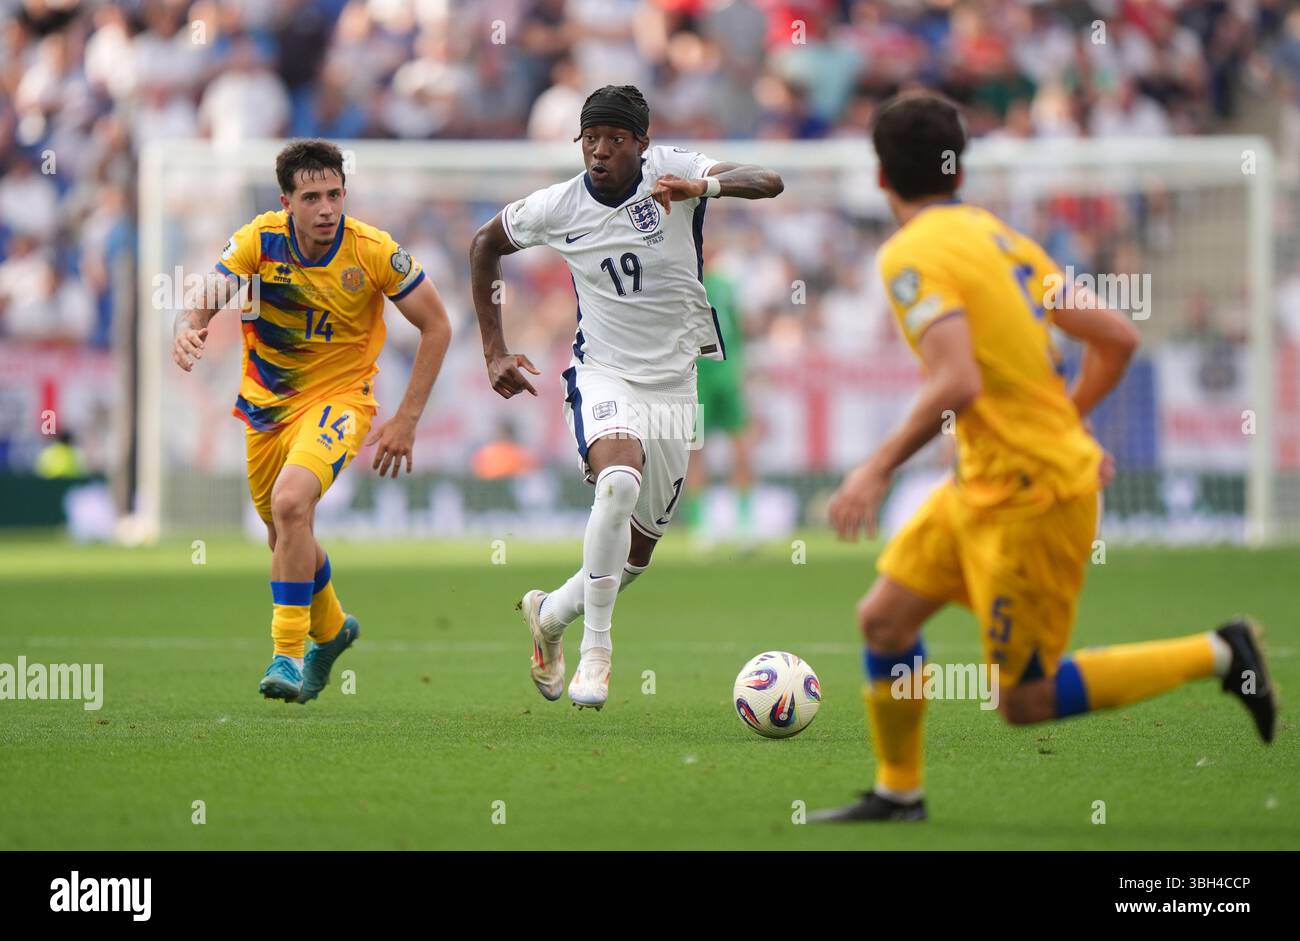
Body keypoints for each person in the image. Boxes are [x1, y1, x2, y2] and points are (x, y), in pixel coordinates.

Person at [812, 93, 1276, 822]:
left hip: (1033, 495)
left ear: (880, 178)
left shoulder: (910, 252)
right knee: (885, 620)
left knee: (1024, 700)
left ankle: (1221, 652)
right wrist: (1063, 419)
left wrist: (875, 467)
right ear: (957, 166)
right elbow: (1117, 336)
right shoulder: (1001, 238)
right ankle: (899, 791)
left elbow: (957, 380)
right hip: (983, 484)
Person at [469, 84, 783, 709]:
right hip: (603, 372)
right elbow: (484, 246)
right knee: (617, 482)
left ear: (642, 143)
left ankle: (551, 617)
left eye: (616, 140)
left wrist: (703, 189)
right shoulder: (556, 206)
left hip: (674, 383)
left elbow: (768, 180)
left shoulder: (678, 171)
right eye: (591, 140)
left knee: (635, 555)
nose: (601, 152)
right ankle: (598, 656)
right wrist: (494, 350)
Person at [172, 139, 452, 703]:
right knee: (285, 533)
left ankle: (288, 654)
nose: (327, 208)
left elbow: (438, 325)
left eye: (335, 194)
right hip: (267, 405)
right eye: (312, 197)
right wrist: (191, 323)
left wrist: (407, 418)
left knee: (292, 504)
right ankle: (332, 629)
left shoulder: (373, 250)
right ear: (287, 202)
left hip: (342, 400)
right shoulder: (259, 239)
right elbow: (209, 292)